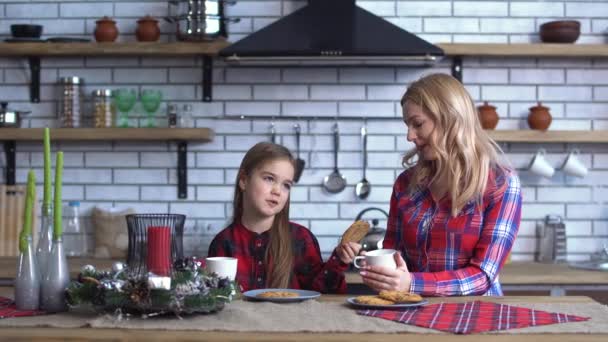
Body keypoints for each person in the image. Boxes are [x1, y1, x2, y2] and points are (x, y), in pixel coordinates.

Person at [359, 73, 522, 296]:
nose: (410, 136)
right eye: (407, 125)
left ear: (451, 119)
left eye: (417, 124)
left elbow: (483, 276)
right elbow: (393, 255)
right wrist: (382, 274)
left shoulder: (501, 184)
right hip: (409, 311)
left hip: (475, 317)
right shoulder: (405, 184)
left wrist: (411, 284)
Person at [208, 142, 358, 293]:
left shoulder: (301, 238)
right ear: (243, 180)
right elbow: (217, 301)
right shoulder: (223, 242)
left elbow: (321, 296)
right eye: (269, 179)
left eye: (286, 185)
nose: (277, 191)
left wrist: (339, 260)